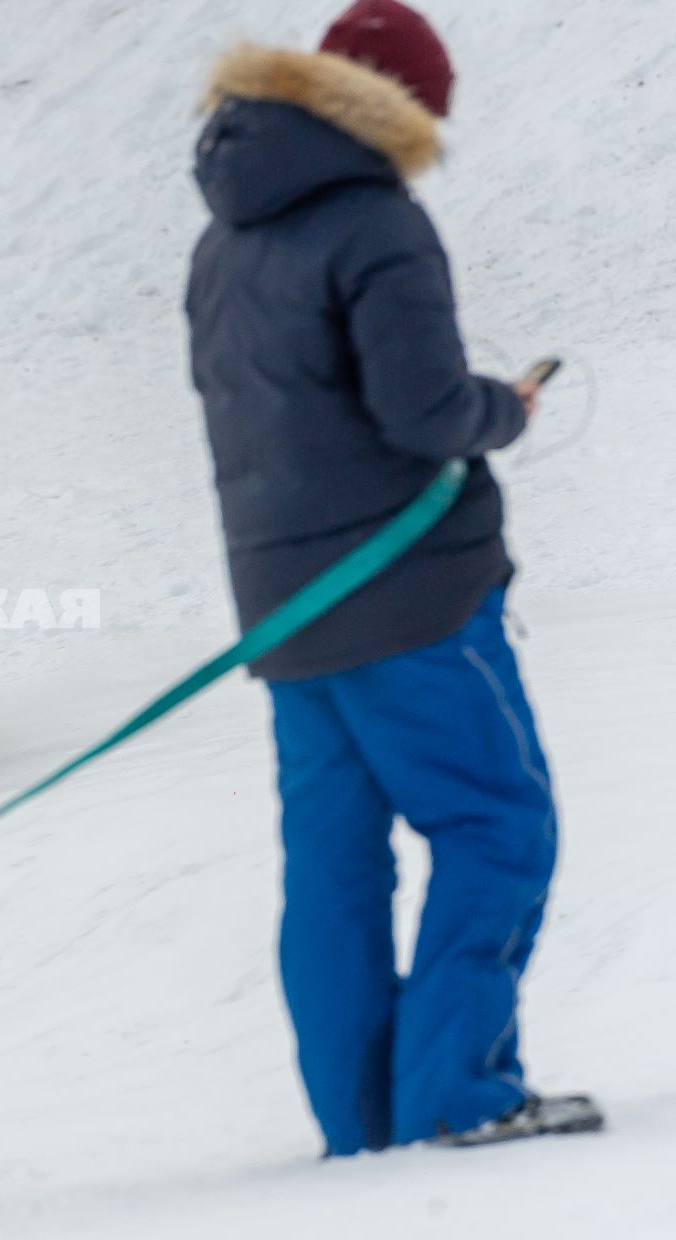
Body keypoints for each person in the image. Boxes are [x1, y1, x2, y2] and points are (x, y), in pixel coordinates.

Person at [185, 0, 600, 1154]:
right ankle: (460, 1095)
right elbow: (419, 410)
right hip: (409, 591)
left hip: (288, 610)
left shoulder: (224, 236)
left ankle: (362, 1124)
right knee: (498, 824)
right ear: (401, 107)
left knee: (335, 865)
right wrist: (499, 409)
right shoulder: (376, 221)